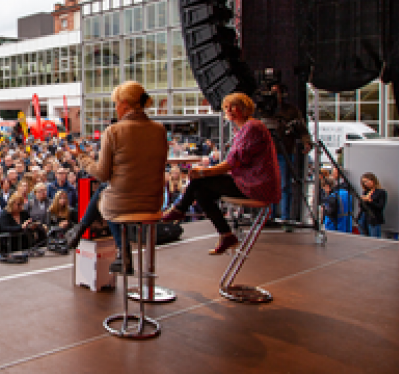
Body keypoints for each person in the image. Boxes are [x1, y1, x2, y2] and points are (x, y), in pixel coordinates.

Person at [65, 81, 169, 273]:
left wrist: (82, 158)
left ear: (125, 104)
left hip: (124, 206)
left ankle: (121, 252)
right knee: (109, 193)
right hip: (154, 204)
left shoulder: (113, 131)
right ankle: (82, 233)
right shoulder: (159, 129)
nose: (115, 108)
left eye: (116, 104)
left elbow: (103, 174)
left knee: (106, 194)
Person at [162, 92, 281, 255]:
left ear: (245, 108)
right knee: (200, 189)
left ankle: (181, 209)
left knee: (199, 183)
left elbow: (232, 164)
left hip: (256, 186)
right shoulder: (243, 128)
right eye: (226, 107)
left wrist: (203, 172)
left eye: (234, 106)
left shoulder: (251, 127)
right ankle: (225, 234)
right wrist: (204, 173)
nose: (229, 110)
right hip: (250, 182)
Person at [267, 82, 312, 223]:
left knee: (285, 184)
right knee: (269, 185)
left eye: (277, 92)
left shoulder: (291, 111)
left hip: (285, 151)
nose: (275, 96)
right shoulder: (265, 110)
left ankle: (285, 217)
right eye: (272, 92)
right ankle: (270, 215)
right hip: (267, 153)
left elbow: (302, 129)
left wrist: (306, 142)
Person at [357, 172, 387, 237]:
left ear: (373, 180)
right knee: (363, 236)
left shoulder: (381, 192)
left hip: (374, 218)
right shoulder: (365, 192)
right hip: (363, 217)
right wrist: (362, 201)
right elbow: (361, 207)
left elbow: (380, 206)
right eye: (363, 182)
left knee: (374, 237)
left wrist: (370, 201)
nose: (365, 184)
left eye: (366, 181)